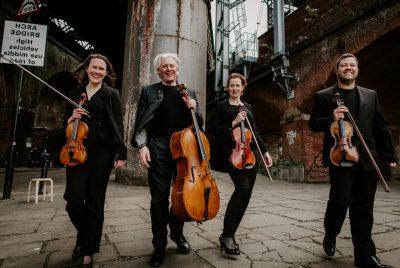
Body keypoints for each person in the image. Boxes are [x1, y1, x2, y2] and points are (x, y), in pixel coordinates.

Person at [309, 53, 398, 268]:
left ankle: (365, 255)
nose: (348, 68)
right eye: (344, 65)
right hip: (341, 157)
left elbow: (381, 126)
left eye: (352, 65)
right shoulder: (324, 96)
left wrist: (390, 155)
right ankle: (331, 232)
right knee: (340, 201)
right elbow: (313, 124)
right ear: (337, 69)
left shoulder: (370, 95)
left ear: (357, 69)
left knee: (364, 207)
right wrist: (332, 117)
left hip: (367, 158)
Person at [131, 53, 203, 267]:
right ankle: (159, 246)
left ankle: (177, 234)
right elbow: (141, 122)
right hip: (159, 146)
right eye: (164, 67)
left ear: (177, 69)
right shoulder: (149, 91)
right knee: (158, 198)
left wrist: (195, 108)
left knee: (183, 196)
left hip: (184, 147)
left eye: (172, 66)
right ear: (158, 71)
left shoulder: (189, 92)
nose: (169, 69)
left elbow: (199, 125)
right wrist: (142, 146)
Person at [64, 54, 127, 267]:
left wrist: (120, 153)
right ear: (87, 69)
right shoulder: (75, 94)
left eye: (101, 69)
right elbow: (65, 125)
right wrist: (71, 118)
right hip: (77, 150)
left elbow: (117, 124)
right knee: (73, 200)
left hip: (103, 152)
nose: (97, 71)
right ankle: (85, 237)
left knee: (94, 201)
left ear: (106, 73)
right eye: (94, 67)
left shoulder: (111, 94)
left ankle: (88, 248)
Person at [210, 73, 273, 255]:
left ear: (243, 88)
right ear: (228, 88)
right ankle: (228, 235)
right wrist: (234, 122)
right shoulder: (222, 107)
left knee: (246, 195)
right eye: (232, 85)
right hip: (232, 154)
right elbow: (214, 131)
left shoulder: (248, 107)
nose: (235, 88)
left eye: (238, 85)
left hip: (250, 154)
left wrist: (265, 151)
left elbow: (255, 132)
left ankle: (229, 235)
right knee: (242, 189)